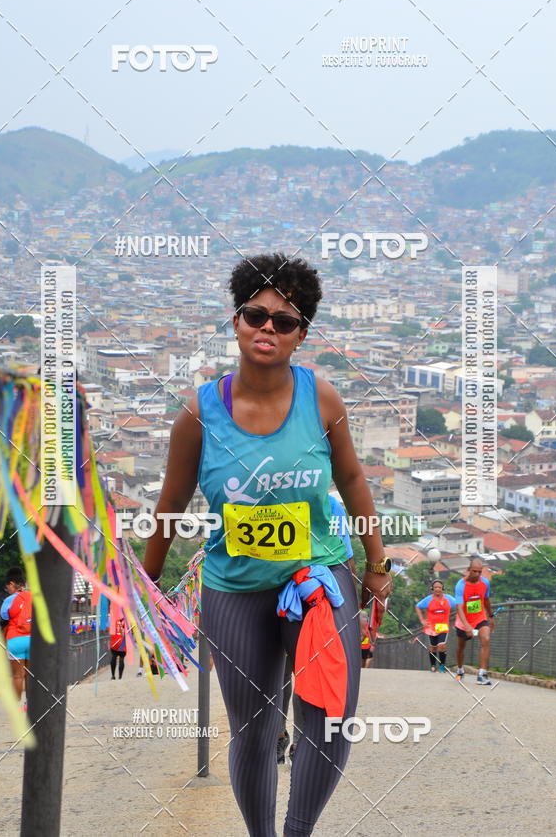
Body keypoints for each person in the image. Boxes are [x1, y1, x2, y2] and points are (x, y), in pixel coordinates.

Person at [144, 253, 392, 837]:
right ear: (236, 320)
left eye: (285, 322)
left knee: (330, 718)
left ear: (301, 335)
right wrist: (149, 588)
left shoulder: (322, 400)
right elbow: (170, 504)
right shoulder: (198, 413)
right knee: (254, 727)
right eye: (257, 315)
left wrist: (376, 561)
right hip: (236, 588)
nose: (268, 329)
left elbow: (352, 480)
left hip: (318, 578)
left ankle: (297, 831)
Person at [277, 494, 356, 764]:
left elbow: (345, 558)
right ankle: (279, 734)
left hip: (311, 601)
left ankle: (299, 741)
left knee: (303, 672)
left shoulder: (332, 506)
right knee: (281, 673)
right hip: (276, 595)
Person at [454, 556, 495, 685]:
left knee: (486, 638)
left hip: (479, 617)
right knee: (461, 647)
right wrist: (467, 626)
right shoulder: (461, 585)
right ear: (468, 570)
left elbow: (486, 600)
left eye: (479, 571)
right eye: (474, 571)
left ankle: (482, 674)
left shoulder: (485, 583)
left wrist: (491, 616)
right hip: (463, 620)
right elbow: (459, 608)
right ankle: (460, 669)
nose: (477, 574)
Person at [0, 567, 32, 702]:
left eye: (7, 587)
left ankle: (17, 707)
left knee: (17, 676)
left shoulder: (9, 600)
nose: (7, 590)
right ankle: (31, 706)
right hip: (32, 639)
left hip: (15, 639)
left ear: (12, 584)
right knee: (30, 675)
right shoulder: (32, 596)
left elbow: (4, 618)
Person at [415, 579, 457, 672]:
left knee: (441, 645)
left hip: (442, 626)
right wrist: (422, 620)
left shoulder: (449, 599)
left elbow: (459, 605)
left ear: (443, 588)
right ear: (432, 589)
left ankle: (442, 665)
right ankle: (433, 665)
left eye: (439, 587)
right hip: (431, 627)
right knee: (433, 647)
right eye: (435, 587)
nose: (437, 589)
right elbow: (417, 606)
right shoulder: (428, 599)